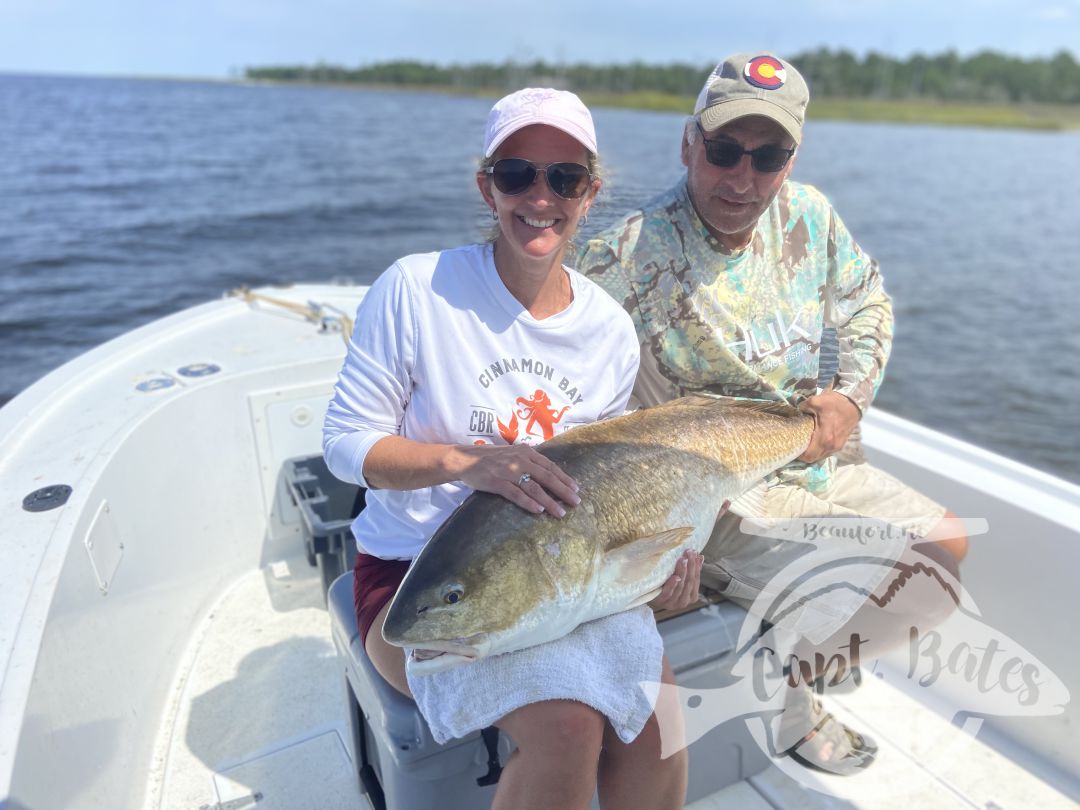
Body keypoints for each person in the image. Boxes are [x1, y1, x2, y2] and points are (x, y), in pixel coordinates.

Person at [578, 53, 969, 776]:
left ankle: (800, 670)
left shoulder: (810, 215)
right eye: (724, 151)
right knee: (864, 573)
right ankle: (791, 697)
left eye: (769, 156)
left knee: (945, 552)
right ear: (688, 143)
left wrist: (849, 396)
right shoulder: (625, 255)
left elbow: (867, 303)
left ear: (792, 158)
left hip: (812, 455)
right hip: (718, 492)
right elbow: (558, 354)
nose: (742, 178)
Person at [323, 88, 700, 810]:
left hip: (568, 573)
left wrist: (663, 566)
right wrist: (466, 463)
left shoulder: (610, 331)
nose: (540, 196)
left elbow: (610, 483)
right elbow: (344, 443)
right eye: (517, 173)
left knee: (659, 720)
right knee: (566, 728)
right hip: (423, 584)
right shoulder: (415, 290)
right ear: (486, 186)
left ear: (590, 194)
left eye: (564, 178)